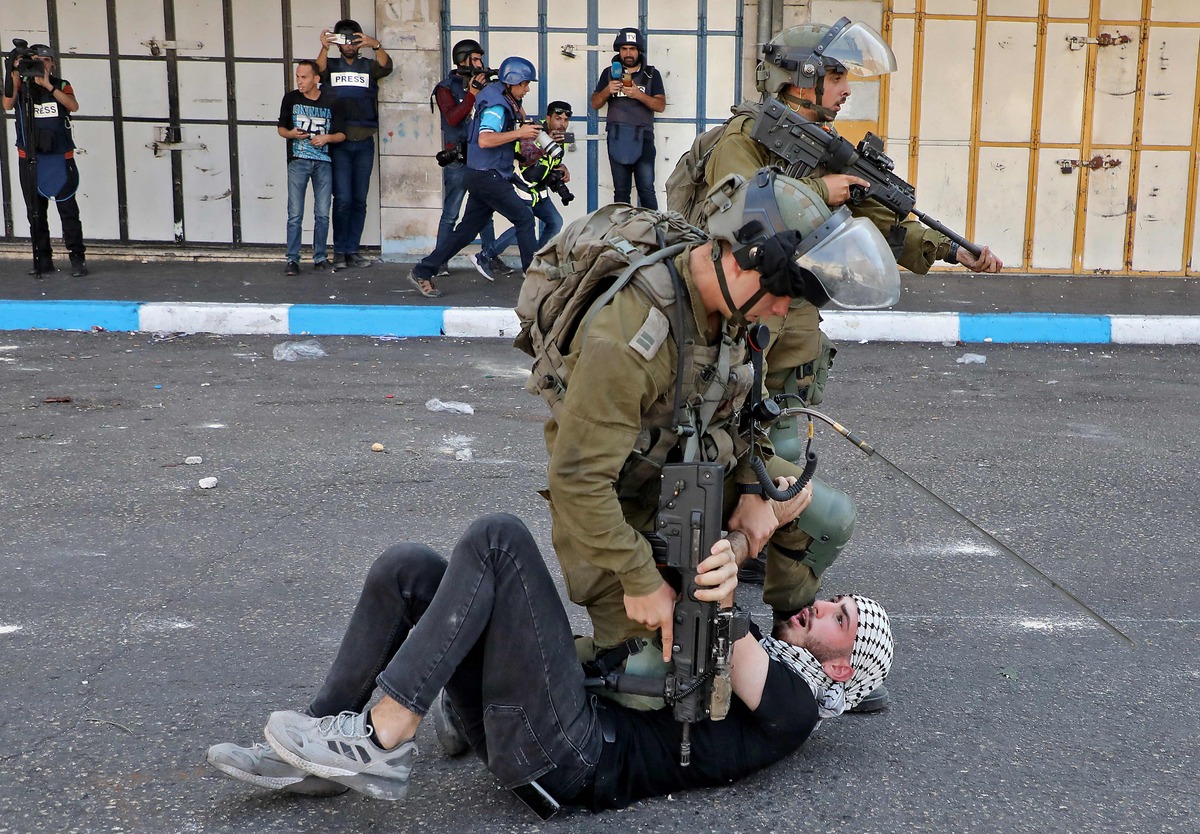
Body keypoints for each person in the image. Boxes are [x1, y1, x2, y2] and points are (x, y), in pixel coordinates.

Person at [206, 512, 893, 810]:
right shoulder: (782, 666)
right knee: (407, 568)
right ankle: (320, 750)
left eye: (841, 620)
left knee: (499, 540)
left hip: (567, 758)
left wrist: (745, 534)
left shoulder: (797, 708)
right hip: (545, 723)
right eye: (835, 601)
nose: (823, 607)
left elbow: (725, 629)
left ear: (842, 669)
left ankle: (383, 737)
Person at [689, 22, 1004, 657]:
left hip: (790, 344)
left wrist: (948, 250)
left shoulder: (821, 146)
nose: (844, 91)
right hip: (739, 335)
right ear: (799, 78)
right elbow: (736, 220)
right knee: (757, 468)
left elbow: (874, 227)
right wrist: (818, 192)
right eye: (835, 77)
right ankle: (791, 625)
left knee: (784, 450)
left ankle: (765, 567)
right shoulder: (743, 143)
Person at [533, 169, 900, 712]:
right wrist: (642, 579)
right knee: (652, 685)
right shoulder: (630, 340)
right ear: (743, 256)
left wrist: (755, 491)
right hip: (619, 505)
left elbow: (742, 412)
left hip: (697, 470)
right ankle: (495, 672)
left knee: (823, 515)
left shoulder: (735, 309)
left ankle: (792, 643)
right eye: (782, 294)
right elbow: (578, 483)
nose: (781, 311)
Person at [408, 57, 541, 298]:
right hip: (488, 176)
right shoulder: (497, 107)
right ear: (511, 83)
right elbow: (485, 139)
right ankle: (535, 282)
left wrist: (519, 117)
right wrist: (520, 133)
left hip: (480, 173)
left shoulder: (498, 94)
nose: (527, 88)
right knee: (524, 218)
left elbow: (514, 111)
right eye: (524, 84)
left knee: (467, 232)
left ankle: (423, 270)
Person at [2, 43, 86, 277]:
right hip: (29, 157)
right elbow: (7, 104)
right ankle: (42, 260)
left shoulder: (61, 84)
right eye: (36, 61)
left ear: (52, 64)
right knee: (35, 212)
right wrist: (14, 73)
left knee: (68, 210)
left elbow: (73, 105)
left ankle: (77, 259)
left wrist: (48, 85)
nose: (40, 65)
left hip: (59, 158)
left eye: (45, 61)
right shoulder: (21, 86)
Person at [316, 19, 392, 271]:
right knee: (343, 199)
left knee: (359, 199)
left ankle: (353, 250)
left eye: (353, 39)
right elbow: (317, 71)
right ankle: (339, 251)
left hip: (364, 142)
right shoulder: (332, 64)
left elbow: (387, 67)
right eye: (343, 40)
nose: (349, 44)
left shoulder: (367, 65)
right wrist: (325, 47)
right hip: (339, 142)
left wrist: (376, 44)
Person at [431, 37, 499, 280]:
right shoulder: (445, 88)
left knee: (484, 212)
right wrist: (471, 93)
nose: (481, 63)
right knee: (451, 213)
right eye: (476, 58)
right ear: (463, 60)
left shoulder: (485, 84)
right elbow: (452, 118)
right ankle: (439, 260)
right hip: (458, 160)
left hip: (481, 159)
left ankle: (490, 255)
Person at [478, 100, 573, 271]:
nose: (562, 124)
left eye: (566, 120)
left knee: (555, 221)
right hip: (521, 187)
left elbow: (551, 162)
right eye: (558, 119)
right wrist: (546, 146)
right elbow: (527, 163)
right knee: (523, 224)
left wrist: (562, 168)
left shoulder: (560, 137)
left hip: (538, 191)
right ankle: (486, 256)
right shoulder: (534, 132)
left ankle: (536, 259)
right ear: (548, 118)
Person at [277, 60, 346, 276]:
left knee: (322, 213)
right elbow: (281, 128)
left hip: (323, 161)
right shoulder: (291, 98)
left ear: (316, 79)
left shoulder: (331, 100)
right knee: (295, 214)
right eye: (298, 76)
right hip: (298, 160)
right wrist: (291, 134)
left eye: (304, 77)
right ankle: (292, 259)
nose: (299, 81)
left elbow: (342, 134)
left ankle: (320, 257)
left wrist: (326, 138)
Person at [590, 27, 665, 209]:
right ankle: (623, 234)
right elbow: (595, 103)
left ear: (639, 50)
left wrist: (637, 94)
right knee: (621, 192)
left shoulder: (651, 74)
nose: (628, 53)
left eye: (632, 48)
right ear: (619, 51)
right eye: (624, 49)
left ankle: (653, 234)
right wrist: (608, 90)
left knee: (646, 190)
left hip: (644, 137)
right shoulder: (609, 73)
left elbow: (660, 105)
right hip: (617, 136)